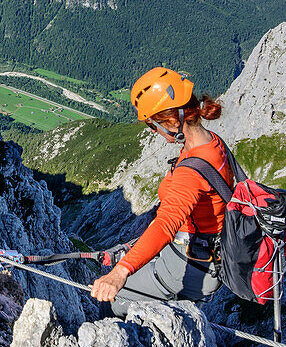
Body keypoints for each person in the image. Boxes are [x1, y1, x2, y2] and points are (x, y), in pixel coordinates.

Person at [90, 67, 231, 316]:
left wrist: (120, 272)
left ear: (173, 121)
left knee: (113, 300)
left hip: (188, 264)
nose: (153, 132)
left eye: (153, 125)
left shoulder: (191, 172)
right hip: (205, 255)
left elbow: (166, 223)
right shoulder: (212, 143)